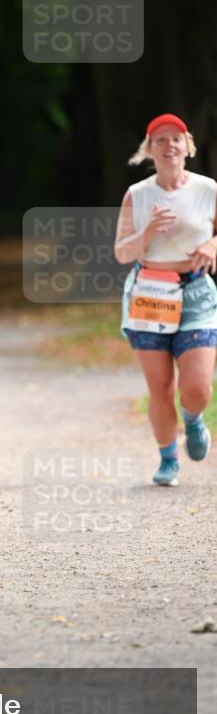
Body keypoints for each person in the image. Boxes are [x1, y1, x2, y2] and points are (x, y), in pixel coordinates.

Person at [115, 113, 217, 486]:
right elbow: (123, 253)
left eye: (176, 138)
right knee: (160, 387)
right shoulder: (138, 195)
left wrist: (211, 243)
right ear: (149, 149)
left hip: (196, 293)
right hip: (150, 294)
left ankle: (193, 419)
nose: (169, 145)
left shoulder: (208, 189)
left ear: (187, 147)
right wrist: (147, 231)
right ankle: (168, 459)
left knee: (197, 386)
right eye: (161, 140)